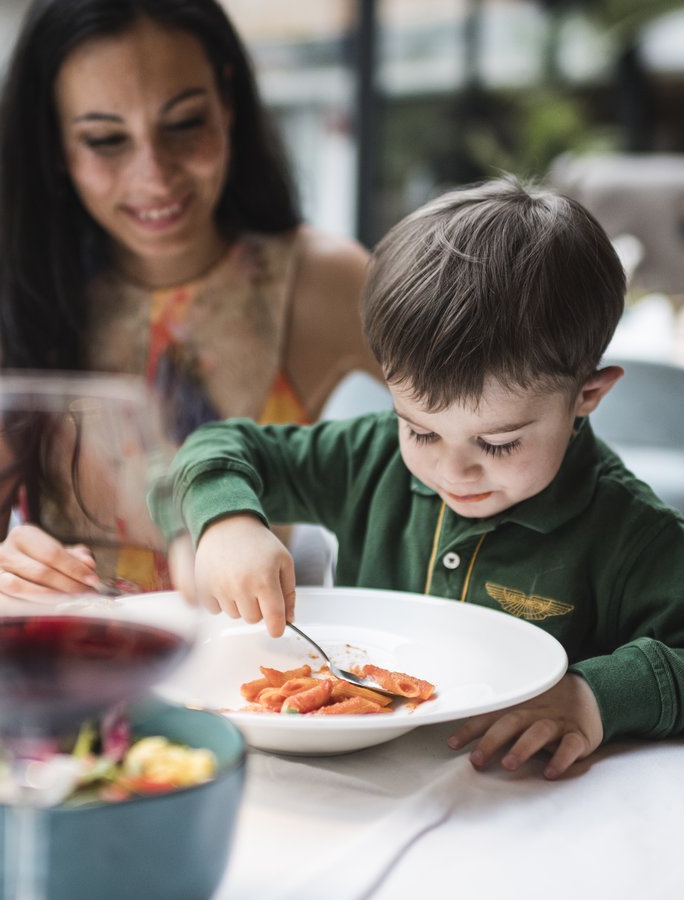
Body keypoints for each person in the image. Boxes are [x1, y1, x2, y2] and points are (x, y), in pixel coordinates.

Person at [161, 176, 684, 780]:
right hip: (354, 779)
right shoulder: (371, 457)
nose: (452, 469)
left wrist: (593, 699)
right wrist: (227, 519)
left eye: (498, 441)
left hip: (523, 804)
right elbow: (220, 444)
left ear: (587, 396)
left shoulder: (629, 533)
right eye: (422, 430)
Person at [0, 0, 381, 600]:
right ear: (54, 143)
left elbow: (499, 415)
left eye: (183, 124)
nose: (154, 176)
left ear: (227, 101)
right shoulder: (27, 271)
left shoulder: (322, 280)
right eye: (105, 140)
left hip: (246, 674)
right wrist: (2, 569)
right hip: (65, 661)